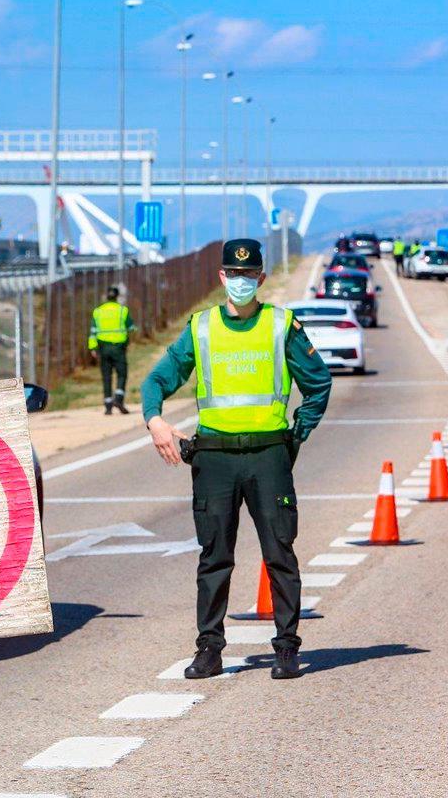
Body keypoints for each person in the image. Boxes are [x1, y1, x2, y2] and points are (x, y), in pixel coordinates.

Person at [141, 238, 332, 680]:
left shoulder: (281, 324)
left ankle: (286, 648)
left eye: (249, 275)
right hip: (215, 461)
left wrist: (294, 436)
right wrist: (155, 421)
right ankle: (209, 649)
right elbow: (157, 380)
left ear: (261, 278)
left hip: (268, 457)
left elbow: (318, 384)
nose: (241, 281)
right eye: (234, 274)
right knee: (214, 558)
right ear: (221, 277)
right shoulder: (202, 327)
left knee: (279, 554)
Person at [88, 286, 136, 415]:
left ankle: (108, 405)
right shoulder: (122, 310)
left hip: (103, 348)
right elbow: (131, 327)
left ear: (106, 296)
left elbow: (92, 332)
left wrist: (92, 348)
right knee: (122, 373)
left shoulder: (97, 311)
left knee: (106, 376)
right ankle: (119, 399)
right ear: (117, 296)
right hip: (118, 348)